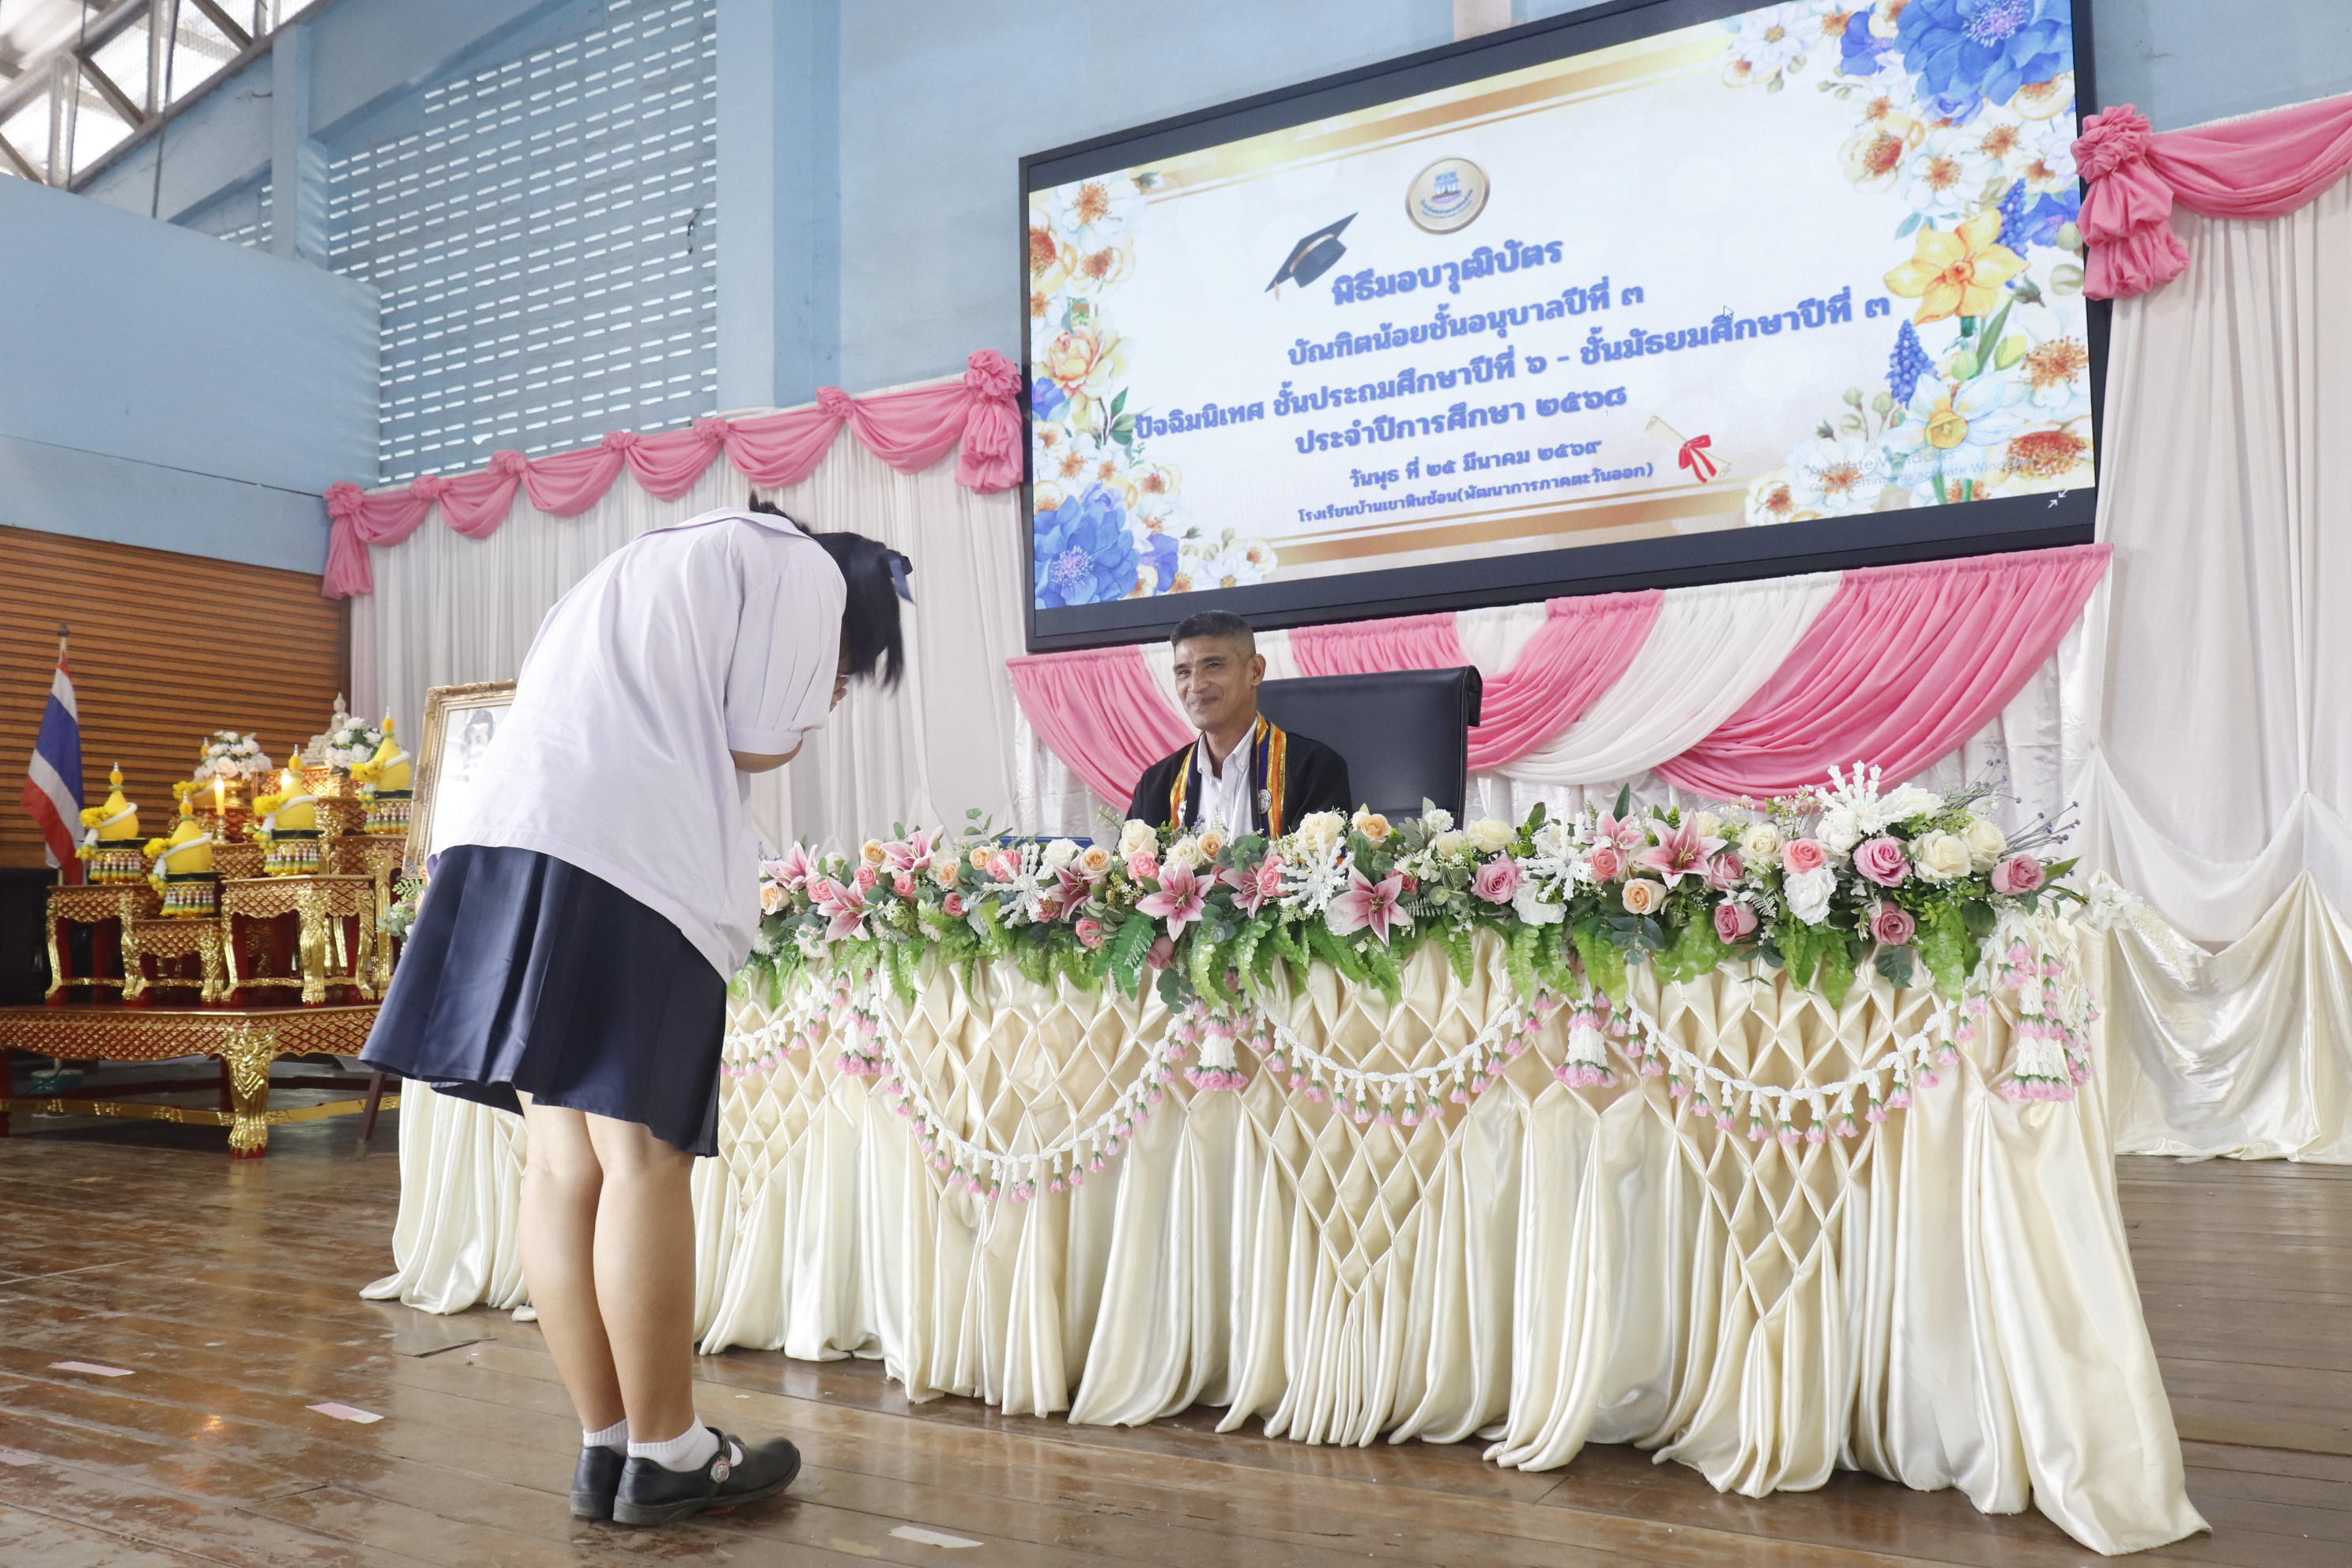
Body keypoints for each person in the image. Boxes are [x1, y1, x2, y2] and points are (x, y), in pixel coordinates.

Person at [360, 503, 908, 1529]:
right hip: (627, 861)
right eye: (849, 666)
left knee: (560, 1165)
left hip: (506, 842)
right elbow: (756, 740)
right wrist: (804, 702)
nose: (839, 685)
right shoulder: (803, 568)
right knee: (645, 1161)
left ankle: (609, 1444)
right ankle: (669, 1452)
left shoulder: (644, 562)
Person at [1125, 610, 1351, 836]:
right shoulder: (1155, 786)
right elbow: (1125, 860)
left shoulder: (1313, 769)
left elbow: (1325, 858)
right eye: (1184, 672)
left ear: (1255, 671)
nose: (1195, 686)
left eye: (1213, 665)